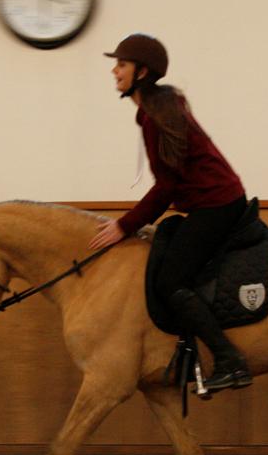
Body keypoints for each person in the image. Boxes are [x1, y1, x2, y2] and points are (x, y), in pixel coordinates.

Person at [88, 33, 252, 394]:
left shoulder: (155, 116)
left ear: (141, 71)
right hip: (213, 202)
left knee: (170, 281)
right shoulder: (158, 109)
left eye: (121, 64)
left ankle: (230, 360)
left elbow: (166, 187)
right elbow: (170, 185)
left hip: (217, 204)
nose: (114, 71)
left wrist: (124, 226)